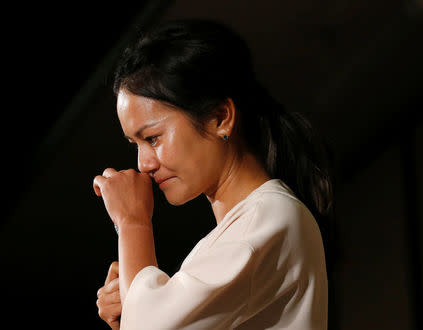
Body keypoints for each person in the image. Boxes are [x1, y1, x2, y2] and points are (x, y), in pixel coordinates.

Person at [94, 18, 335, 330]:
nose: (143, 164)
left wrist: (132, 223)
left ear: (220, 118)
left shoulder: (270, 216)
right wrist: (132, 303)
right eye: (135, 144)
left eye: (152, 138)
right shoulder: (243, 230)